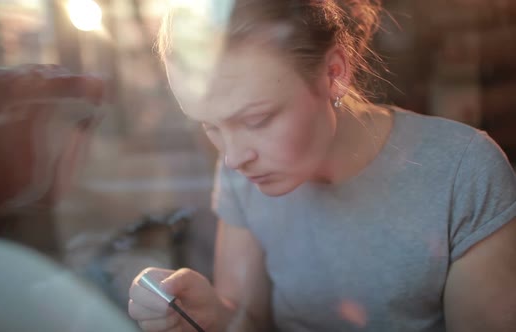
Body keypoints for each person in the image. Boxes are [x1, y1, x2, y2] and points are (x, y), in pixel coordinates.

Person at [128, 0, 516, 331]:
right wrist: (209, 314)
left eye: (257, 119)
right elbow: (248, 317)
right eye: (211, 126)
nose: (232, 157)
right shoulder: (243, 172)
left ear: (334, 73)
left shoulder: (463, 171)